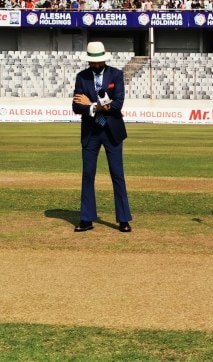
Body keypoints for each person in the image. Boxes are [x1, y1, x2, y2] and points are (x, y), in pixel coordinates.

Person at [72, 41, 132, 233]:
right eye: (92, 62)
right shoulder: (82, 77)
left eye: (98, 62)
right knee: (88, 175)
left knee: (117, 175)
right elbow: (75, 106)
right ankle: (86, 218)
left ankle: (123, 219)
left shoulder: (116, 75)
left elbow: (117, 105)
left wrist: (91, 104)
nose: (96, 65)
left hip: (112, 132)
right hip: (91, 133)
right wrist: (98, 106)